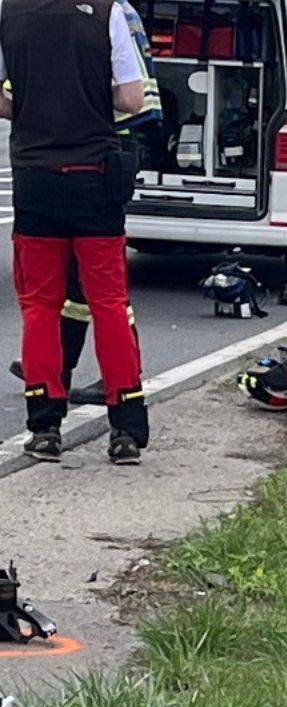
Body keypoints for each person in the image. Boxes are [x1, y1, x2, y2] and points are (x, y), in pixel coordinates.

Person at [0, 0, 151, 465]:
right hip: (95, 176)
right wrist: (86, 94)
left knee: (40, 306)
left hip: (36, 178)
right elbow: (131, 98)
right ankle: (125, 428)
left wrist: (31, 99)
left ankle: (45, 425)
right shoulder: (107, 12)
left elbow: (2, 100)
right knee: (109, 303)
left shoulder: (8, 13)